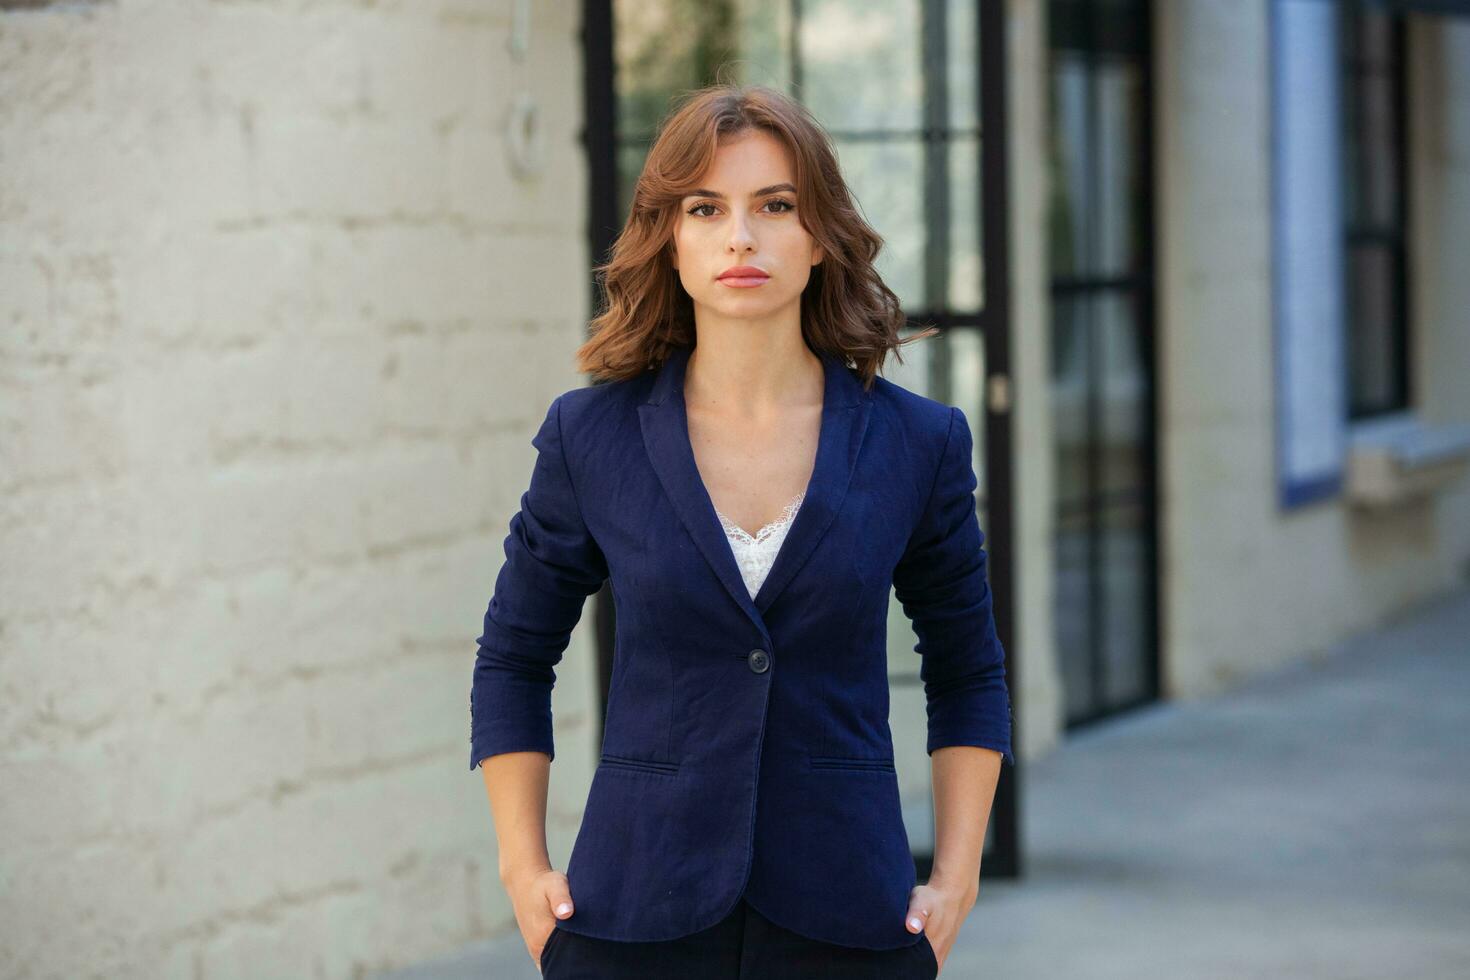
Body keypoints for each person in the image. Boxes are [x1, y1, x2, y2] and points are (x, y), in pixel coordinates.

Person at [471, 83, 1013, 979]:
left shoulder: (918, 443)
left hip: (851, 916)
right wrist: (522, 868)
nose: (741, 237)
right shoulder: (592, 436)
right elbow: (514, 655)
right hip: (632, 913)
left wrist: (957, 877)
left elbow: (967, 667)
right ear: (671, 240)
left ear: (819, 238)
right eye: (706, 208)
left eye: (776, 206)